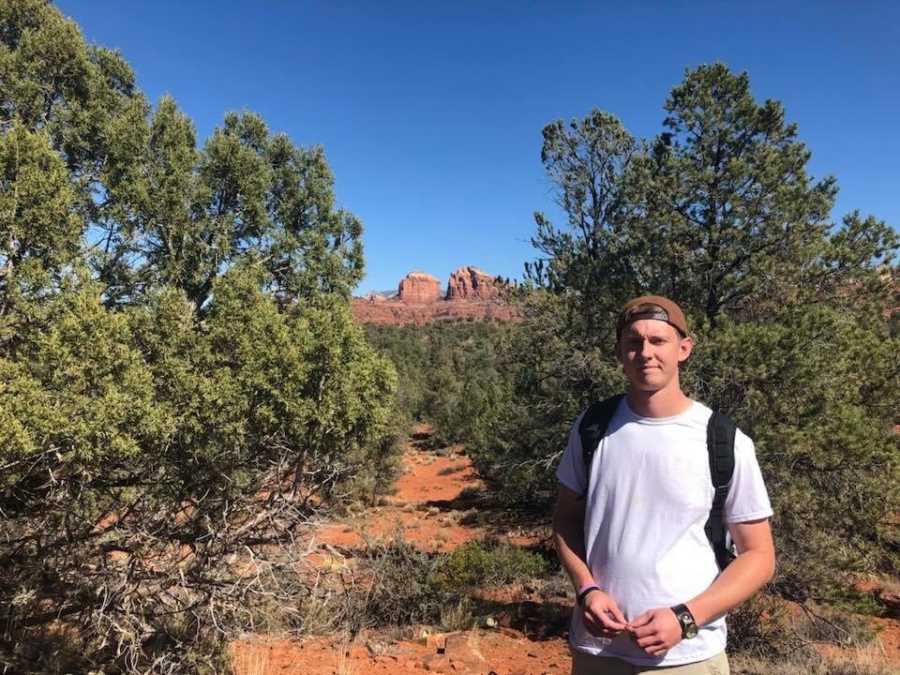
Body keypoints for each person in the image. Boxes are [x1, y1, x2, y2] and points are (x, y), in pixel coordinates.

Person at [553, 295, 775, 675]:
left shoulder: (723, 440)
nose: (645, 352)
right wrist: (587, 590)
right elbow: (566, 522)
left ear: (684, 349)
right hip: (597, 652)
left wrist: (685, 619)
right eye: (633, 342)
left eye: (658, 341)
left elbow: (759, 556)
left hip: (687, 657)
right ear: (620, 353)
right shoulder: (592, 427)